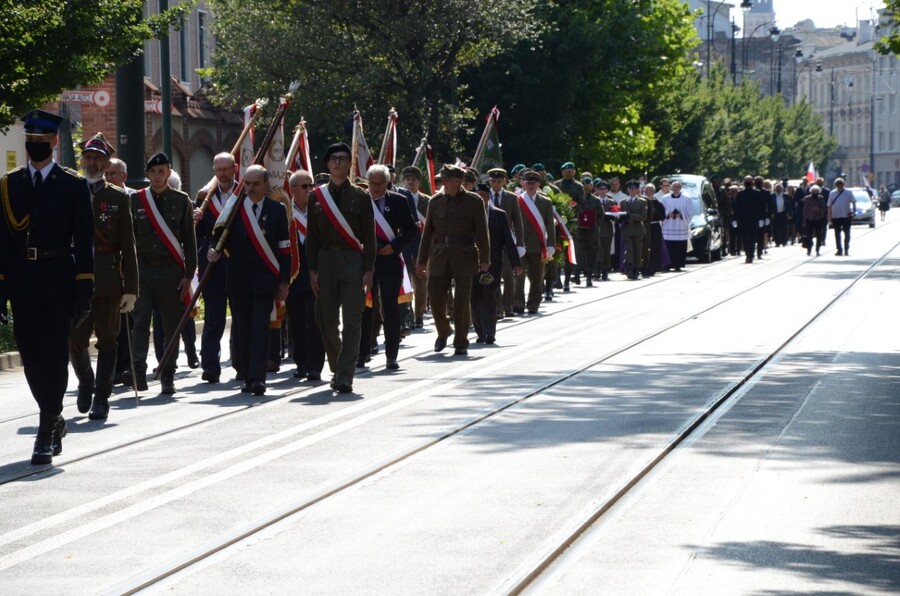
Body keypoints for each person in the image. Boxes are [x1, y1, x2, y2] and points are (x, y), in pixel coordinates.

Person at [0, 109, 94, 464]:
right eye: (30, 142)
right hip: (23, 281)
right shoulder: (10, 185)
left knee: (53, 356)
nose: (35, 148)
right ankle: (55, 416)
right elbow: (3, 242)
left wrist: (85, 288)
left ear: (54, 143)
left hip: (59, 281)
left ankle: (44, 429)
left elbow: (84, 242)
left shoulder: (72, 185)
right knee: (30, 357)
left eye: (41, 142)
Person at [68, 132, 138, 421]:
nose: (93, 162)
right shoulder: (70, 192)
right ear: (82, 160)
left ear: (106, 162)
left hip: (108, 279)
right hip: (75, 280)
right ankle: (86, 381)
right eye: (89, 157)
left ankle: (102, 397)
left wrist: (131, 288)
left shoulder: (117, 197)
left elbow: (128, 244)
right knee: (74, 339)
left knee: (109, 339)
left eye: (98, 158)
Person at [207, 165, 290, 395]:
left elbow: (284, 249)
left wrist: (284, 281)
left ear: (265, 185)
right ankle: (245, 373)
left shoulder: (276, 210)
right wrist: (212, 250)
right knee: (243, 329)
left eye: (255, 184)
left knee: (260, 327)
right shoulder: (234, 209)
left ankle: (258, 377)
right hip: (238, 280)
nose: (251, 188)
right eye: (247, 184)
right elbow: (217, 237)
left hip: (265, 280)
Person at [306, 143, 376, 393]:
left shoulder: (361, 196)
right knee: (325, 320)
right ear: (327, 164)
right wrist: (311, 269)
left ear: (349, 164)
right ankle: (337, 367)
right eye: (333, 159)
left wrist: (368, 270)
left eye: (343, 159)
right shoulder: (316, 196)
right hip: (325, 260)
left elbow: (370, 237)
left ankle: (346, 375)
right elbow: (312, 237)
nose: (337, 163)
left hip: (352, 261)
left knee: (352, 320)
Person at [125, 153, 196, 394]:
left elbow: (190, 241)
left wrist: (188, 275)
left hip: (171, 271)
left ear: (169, 173)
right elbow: (129, 239)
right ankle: (138, 372)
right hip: (143, 270)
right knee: (141, 321)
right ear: (147, 175)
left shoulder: (181, 200)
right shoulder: (136, 201)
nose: (158, 176)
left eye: (162, 171)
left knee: (170, 325)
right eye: (154, 172)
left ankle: (168, 373)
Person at [416, 164, 490, 355]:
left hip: (464, 255)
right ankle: (443, 330)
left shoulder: (474, 202)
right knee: (435, 294)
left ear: (458, 182)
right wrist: (421, 261)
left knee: (461, 302)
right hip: (439, 256)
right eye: (442, 179)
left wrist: (485, 258)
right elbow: (427, 234)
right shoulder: (435, 201)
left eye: (446, 179)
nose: (443, 183)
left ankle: (461, 341)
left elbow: (482, 233)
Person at [359, 164, 418, 370]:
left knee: (391, 308)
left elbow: (412, 230)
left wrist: (394, 247)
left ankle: (391, 354)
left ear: (387, 183)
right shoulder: (359, 200)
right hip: (366, 262)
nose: (376, 188)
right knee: (365, 307)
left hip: (389, 261)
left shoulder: (399, 201)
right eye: (373, 184)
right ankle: (363, 352)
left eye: (380, 184)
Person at [193, 152, 239, 384]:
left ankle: (240, 363)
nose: (222, 174)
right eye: (218, 169)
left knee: (240, 317)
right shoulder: (204, 198)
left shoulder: (244, 193)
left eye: (226, 169)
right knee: (214, 318)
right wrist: (196, 219)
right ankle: (210, 366)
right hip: (212, 266)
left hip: (239, 266)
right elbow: (197, 237)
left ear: (234, 168)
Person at [286, 170, 325, 381]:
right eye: (304, 186)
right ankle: (301, 363)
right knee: (297, 322)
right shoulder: (284, 211)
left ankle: (315, 365)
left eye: (310, 185)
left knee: (315, 319)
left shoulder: (320, 210)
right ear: (292, 189)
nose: (309, 190)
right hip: (294, 274)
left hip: (316, 272)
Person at [471, 182, 522, 344]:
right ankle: (479, 331)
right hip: (471, 263)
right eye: (478, 196)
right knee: (475, 299)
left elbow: (508, 240)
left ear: (489, 198)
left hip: (493, 264)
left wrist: (516, 263)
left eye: (484, 196)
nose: (481, 199)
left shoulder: (498, 215)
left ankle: (489, 332)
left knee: (490, 298)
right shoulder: (467, 215)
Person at [513, 169, 556, 314]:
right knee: (518, 276)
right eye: (528, 182)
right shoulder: (516, 200)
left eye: (533, 182)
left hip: (538, 245)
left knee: (537, 277)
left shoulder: (546, 202)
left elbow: (550, 225)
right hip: (520, 244)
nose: (530, 185)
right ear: (523, 183)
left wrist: (551, 245)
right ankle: (518, 303)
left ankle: (533, 304)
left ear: (538, 184)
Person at [486, 168, 525, 316]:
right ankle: (496, 307)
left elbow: (518, 222)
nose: (496, 184)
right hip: (491, 241)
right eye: (493, 181)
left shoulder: (511, 198)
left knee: (508, 275)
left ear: (504, 181)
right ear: (489, 181)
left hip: (508, 241)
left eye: (499, 181)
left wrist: (520, 243)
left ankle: (508, 305)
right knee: (492, 275)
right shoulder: (484, 195)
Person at [400, 166, 431, 328]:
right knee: (405, 283)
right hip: (404, 247)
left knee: (420, 283)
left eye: (413, 180)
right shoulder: (398, 198)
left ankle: (419, 314)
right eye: (408, 179)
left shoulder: (428, 201)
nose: (410, 182)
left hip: (422, 248)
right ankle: (408, 314)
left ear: (419, 182)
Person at [573, 173, 602, 285]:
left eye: (589, 184)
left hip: (592, 232)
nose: (587, 186)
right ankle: (576, 274)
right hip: (579, 231)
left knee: (592, 254)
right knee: (579, 253)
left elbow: (600, 215)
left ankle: (589, 276)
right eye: (585, 184)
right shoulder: (577, 199)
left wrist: (594, 224)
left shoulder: (596, 200)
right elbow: (572, 212)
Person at [661, 180, 694, 272]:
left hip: (680, 226)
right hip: (669, 226)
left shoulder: (687, 198)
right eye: (674, 187)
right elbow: (661, 210)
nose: (675, 188)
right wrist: (668, 214)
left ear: (680, 188)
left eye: (677, 187)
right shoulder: (665, 198)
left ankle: (678, 265)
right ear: (671, 188)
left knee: (679, 247)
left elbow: (690, 211)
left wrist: (681, 214)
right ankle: (667, 264)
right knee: (669, 246)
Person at [619, 179, 647, 280]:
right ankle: (629, 267)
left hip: (638, 229)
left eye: (634, 188)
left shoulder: (642, 202)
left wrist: (629, 215)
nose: (632, 190)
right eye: (630, 189)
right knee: (629, 249)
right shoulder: (623, 202)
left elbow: (643, 216)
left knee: (637, 250)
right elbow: (621, 215)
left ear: (637, 190)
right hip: (627, 229)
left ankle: (636, 269)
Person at [733, 176, 764, 263]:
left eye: (749, 181)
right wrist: (734, 219)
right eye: (746, 181)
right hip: (743, 219)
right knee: (745, 238)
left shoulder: (757, 193)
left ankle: (751, 253)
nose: (748, 183)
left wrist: (761, 218)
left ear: (752, 183)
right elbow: (736, 207)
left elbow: (760, 207)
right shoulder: (740, 194)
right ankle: (748, 254)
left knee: (753, 237)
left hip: (754, 219)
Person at [827, 178, 856, 256]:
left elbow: (854, 202)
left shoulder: (848, 192)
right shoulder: (832, 193)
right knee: (837, 234)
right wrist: (829, 217)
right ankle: (839, 249)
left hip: (846, 216)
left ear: (843, 184)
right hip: (835, 216)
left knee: (847, 233)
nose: (839, 185)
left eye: (841, 184)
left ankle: (846, 248)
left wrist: (853, 212)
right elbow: (829, 206)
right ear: (836, 185)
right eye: (838, 184)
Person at [643, 183, 666, 276]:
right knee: (645, 247)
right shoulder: (642, 201)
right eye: (648, 190)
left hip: (655, 227)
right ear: (645, 191)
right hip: (646, 226)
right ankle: (644, 266)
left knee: (655, 247)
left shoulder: (658, 203)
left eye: (652, 190)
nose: (650, 192)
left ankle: (654, 266)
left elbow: (663, 216)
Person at [802, 184, 828, 256]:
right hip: (809, 219)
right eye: (813, 192)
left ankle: (817, 249)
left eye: (816, 192)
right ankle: (809, 249)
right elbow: (804, 210)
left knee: (819, 235)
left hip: (818, 219)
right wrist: (804, 221)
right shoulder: (807, 199)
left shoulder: (821, 198)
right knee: (809, 235)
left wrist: (818, 210)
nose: (815, 193)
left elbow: (824, 209)